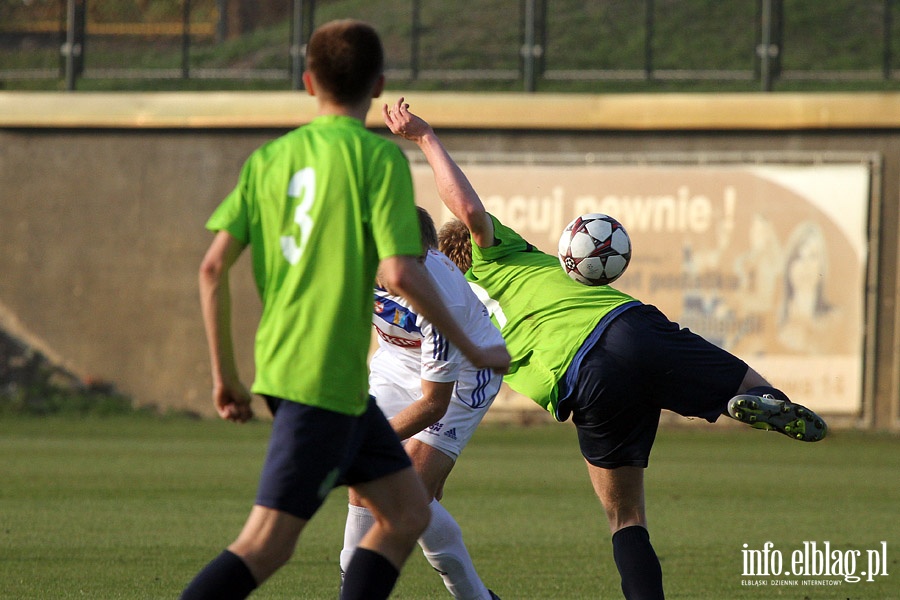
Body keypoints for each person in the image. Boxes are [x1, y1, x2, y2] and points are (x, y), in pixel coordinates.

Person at [382, 98, 827, 600]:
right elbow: (467, 209)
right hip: (626, 325)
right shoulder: (506, 251)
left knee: (627, 517)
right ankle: (755, 399)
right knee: (736, 379)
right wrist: (424, 137)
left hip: (583, 380)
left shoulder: (451, 316)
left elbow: (447, 417)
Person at [182, 22, 509, 600]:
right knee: (267, 545)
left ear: (308, 82)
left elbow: (211, 270)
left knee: (406, 511)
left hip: (292, 375)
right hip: (328, 385)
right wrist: (481, 345)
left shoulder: (269, 159)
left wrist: (225, 377)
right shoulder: (375, 161)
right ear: (379, 83)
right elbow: (402, 272)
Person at [340, 207, 504, 600]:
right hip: (395, 363)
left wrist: (362, 442)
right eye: (406, 260)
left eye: (421, 259)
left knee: (409, 489)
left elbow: (434, 403)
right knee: (365, 485)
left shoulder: (439, 299)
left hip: (465, 375)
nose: (415, 272)